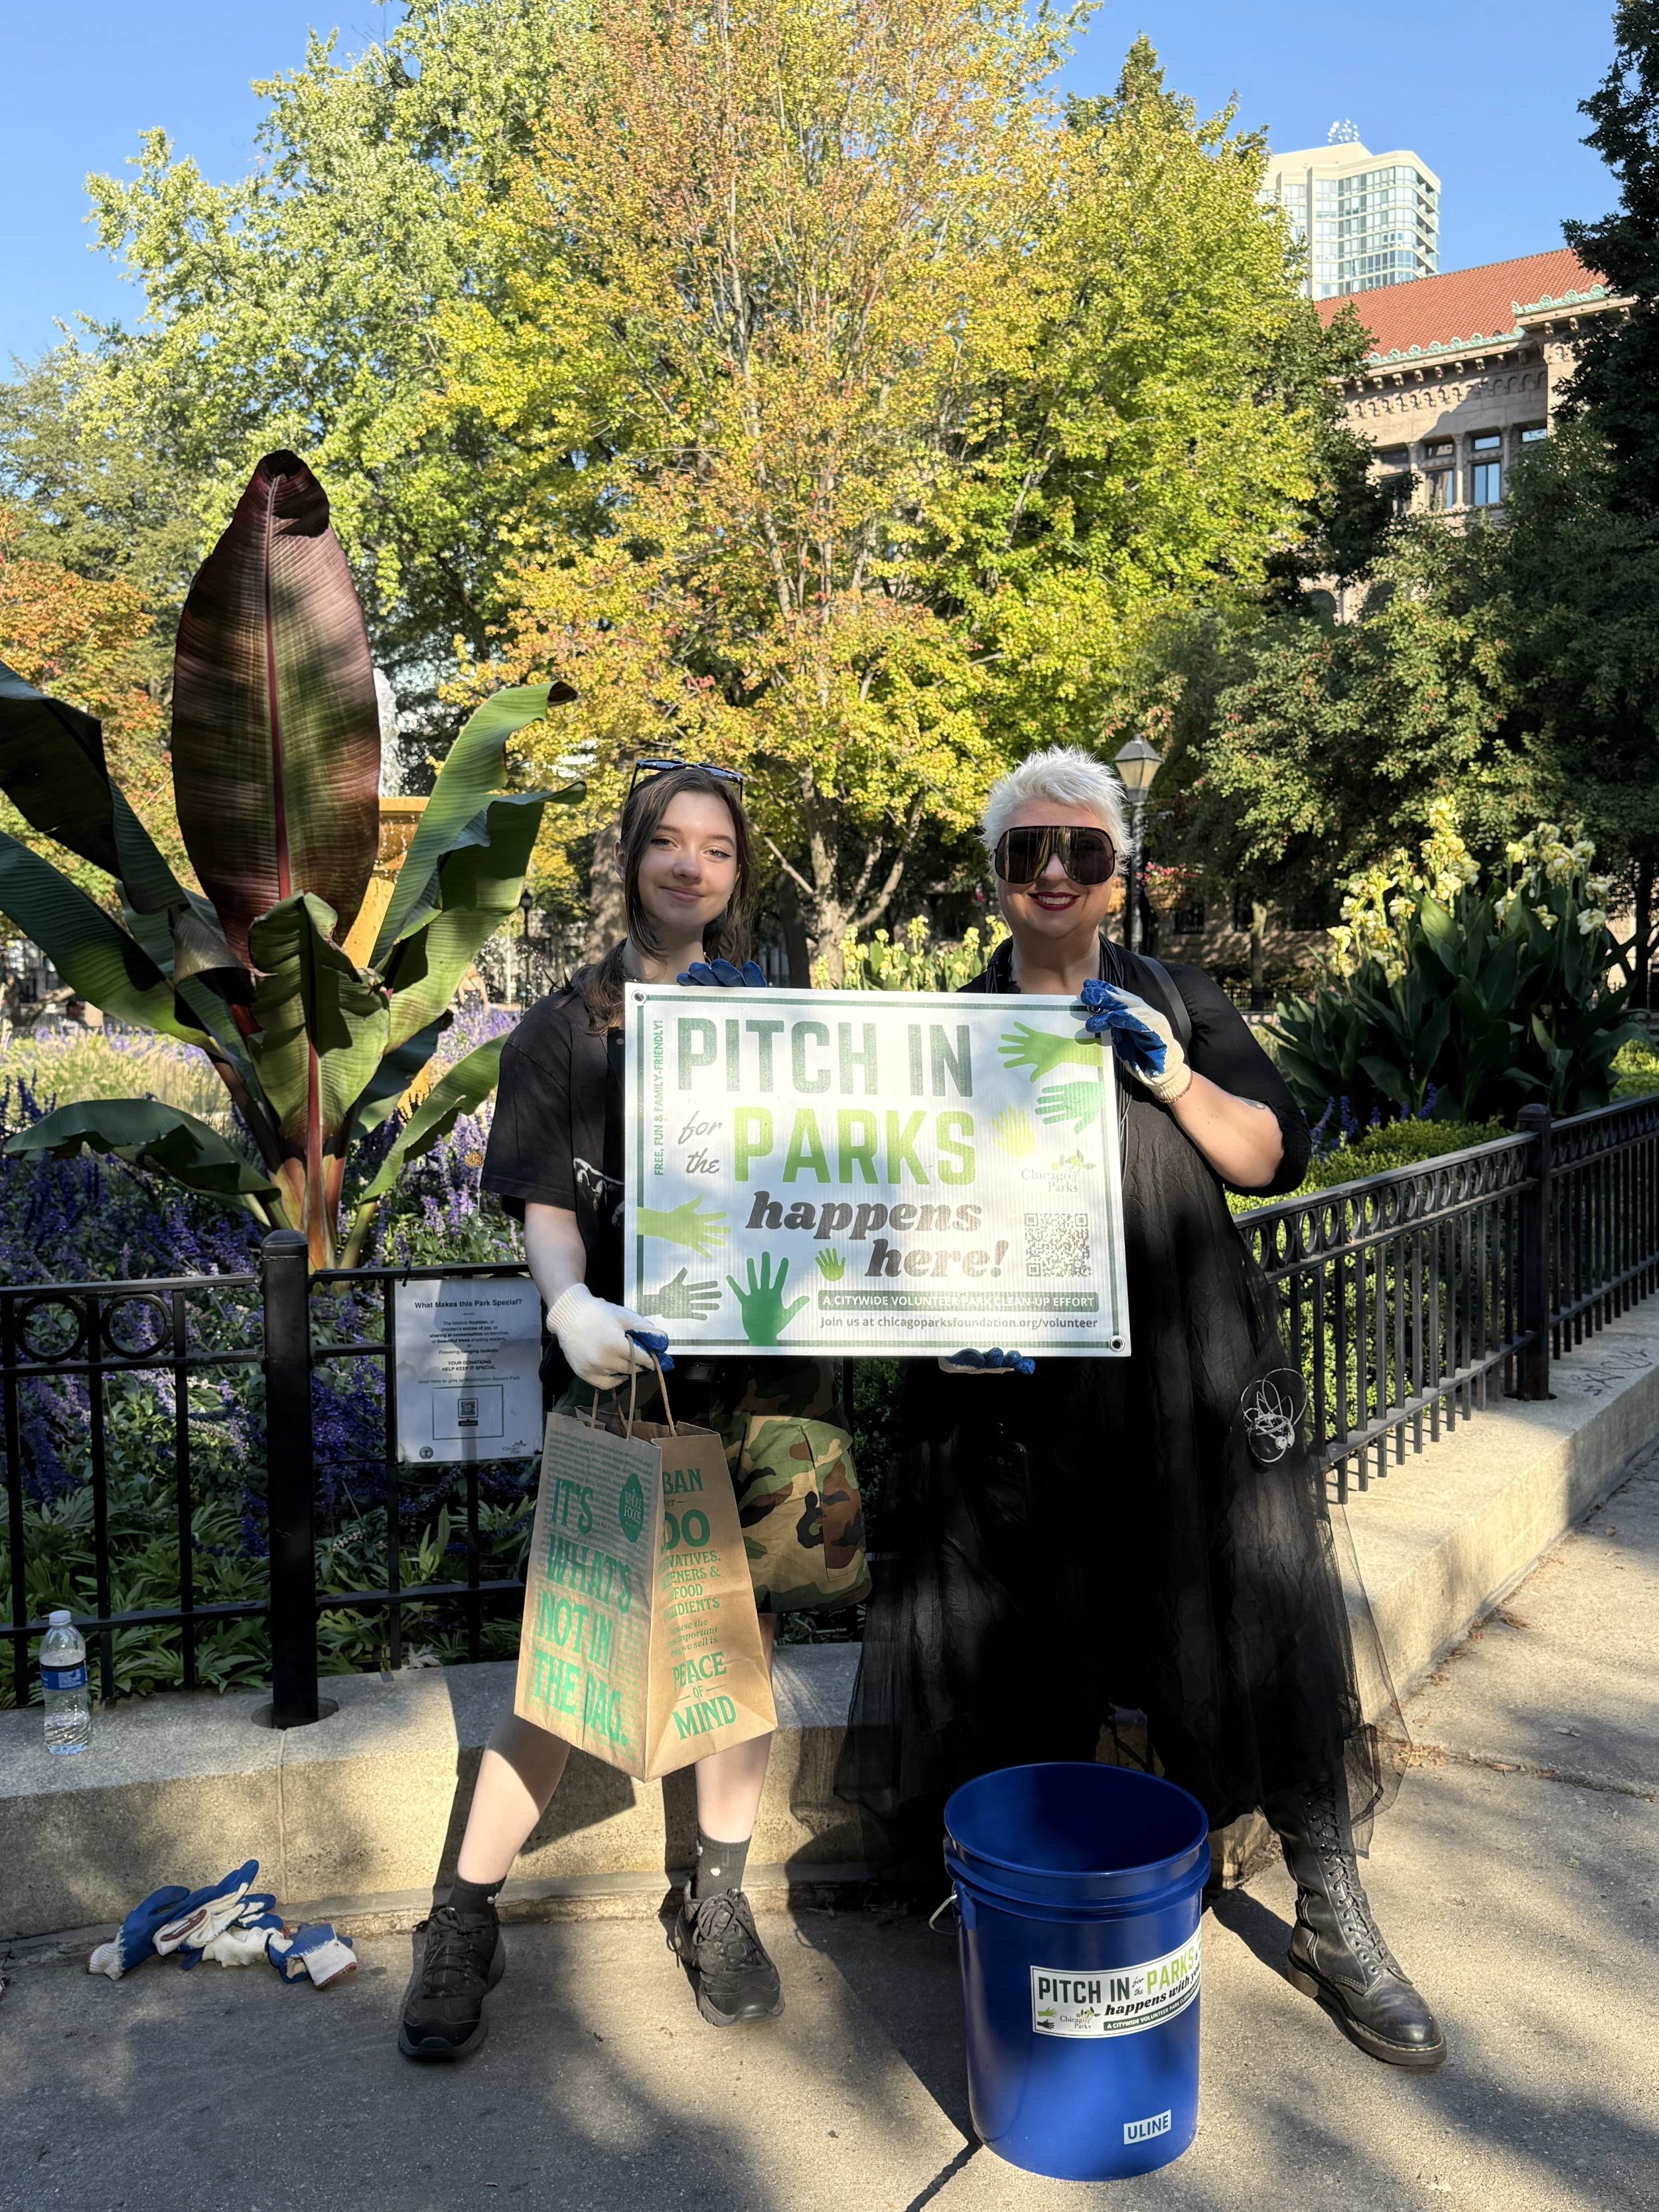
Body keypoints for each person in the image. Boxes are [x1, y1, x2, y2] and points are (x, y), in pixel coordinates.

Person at [840, 745, 1445, 2071]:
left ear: (1117, 876)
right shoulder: (951, 1029)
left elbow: (1268, 1155)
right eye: (1025, 852)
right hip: (1015, 1399)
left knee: (1253, 1616)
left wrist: (1171, 1073)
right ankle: (1021, 1913)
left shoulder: (1177, 996)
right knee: (1018, 1645)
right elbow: (882, 1212)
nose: (1053, 873)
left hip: (1184, 1377)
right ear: (995, 879)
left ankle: (1325, 1906)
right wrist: (937, 1329)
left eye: (1081, 851)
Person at [399, 761, 869, 2062]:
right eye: (665, 841)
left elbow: (858, 1183)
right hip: (625, 1377)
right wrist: (568, 1311)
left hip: (770, 1388)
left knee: (739, 1651)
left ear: (737, 869)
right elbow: (549, 1210)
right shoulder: (564, 1025)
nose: (689, 865)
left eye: (715, 847)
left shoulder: (784, 1015)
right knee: (569, 1652)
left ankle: (712, 1898)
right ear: (631, 857)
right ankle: (464, 1911)